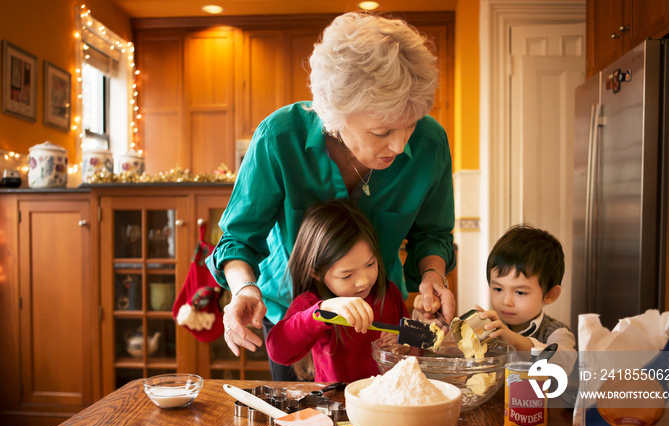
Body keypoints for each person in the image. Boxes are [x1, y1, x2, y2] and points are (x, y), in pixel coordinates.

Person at [206, 11, 456, 381]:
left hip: (380, 336)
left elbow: (431, 235)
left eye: (410, 124)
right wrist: (244, 288)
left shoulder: (429, 146)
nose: (401, 145)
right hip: (295, 323)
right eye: (382, 130)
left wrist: (433, 278)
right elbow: (238, 240)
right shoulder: (280, 138)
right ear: (336, 114)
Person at [266, 199, 408, 382]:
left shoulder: (389, 293)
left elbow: (414, 353)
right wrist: (324, 311)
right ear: (316, 273)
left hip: (388, 403)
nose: (364, 281)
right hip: (335, 405)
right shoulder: (312, 305)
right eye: (347, 275)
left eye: (370, 264)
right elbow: (278, 351)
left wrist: (403, 347)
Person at [478, 225, 577, 374]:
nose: (506, 301)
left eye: (520, 292)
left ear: (550, 294)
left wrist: (514, 340)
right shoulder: (489, 327)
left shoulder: (556, 332)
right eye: (498, 289)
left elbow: (563, 364)